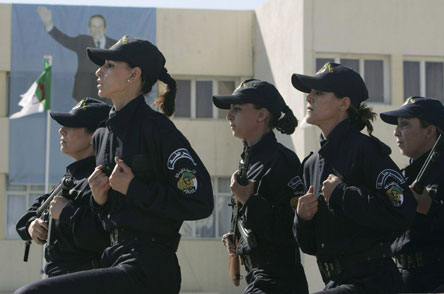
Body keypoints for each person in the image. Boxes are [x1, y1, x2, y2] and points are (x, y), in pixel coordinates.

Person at [15, 35, 214, 294]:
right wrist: (100, 201)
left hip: (147, 266)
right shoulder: (103, 136)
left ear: (133, 75)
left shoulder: (157, 129)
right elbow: (107, 218)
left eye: (109, 65)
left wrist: (133, 187)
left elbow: (199, 201)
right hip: (112, 258)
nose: (99, 71)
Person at [291, 62, 417, 294]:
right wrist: (302, 219)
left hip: (372, 282)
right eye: (310, 93)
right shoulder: (311, 165)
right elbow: (310, 246)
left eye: (319, 93)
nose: (309, 98)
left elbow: (402, 209)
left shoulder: (366, 151)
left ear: (344, 103)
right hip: (335, 281)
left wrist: (342, 194)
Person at [215, 79, 309, 294]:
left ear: (261, 115)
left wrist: (251, 201)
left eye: (237, 109)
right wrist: (240, 240)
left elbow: (294, 228)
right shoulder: (250, 161)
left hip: (279, 279)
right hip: (258, 277)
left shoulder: (281, 161)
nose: (229, 116)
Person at [16, 98, 111, 277]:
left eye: (72, 126)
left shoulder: (101, 178)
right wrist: (32, 226)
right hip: (61, 276)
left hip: (85, 277)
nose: (61, 131)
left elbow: (104, 237)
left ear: (94, 136)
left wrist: (67, 212)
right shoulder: (72, 177)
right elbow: (30, 214)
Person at [380, 96, 444, 293]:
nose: (396, 132)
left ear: (430, 131)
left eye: (405, 125)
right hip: (401, 278)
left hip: (439, 279)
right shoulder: (401, 177)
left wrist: (430, 208)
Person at [37, 6, 117, 102]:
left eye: (100, 26)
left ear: (105, 28)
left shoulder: (115, 45)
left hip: (107, 93)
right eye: (93, 26)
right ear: (89, 29)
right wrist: (48, 24)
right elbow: (64, 40)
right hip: (84, 92)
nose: (97, 29)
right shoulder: (82, 41)